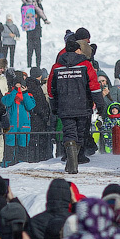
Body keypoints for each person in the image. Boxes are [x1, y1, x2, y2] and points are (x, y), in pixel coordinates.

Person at [49, 34, 107, 173]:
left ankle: (71, 165)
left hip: (64, 107)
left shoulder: (56, 67)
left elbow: (51, 89)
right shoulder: (85, 65)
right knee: (80, 135)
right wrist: (100, 105)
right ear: (77, 51)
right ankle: (73, 164)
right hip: (83, 106)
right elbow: (94, 86)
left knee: (69, 134)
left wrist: (54, 106)